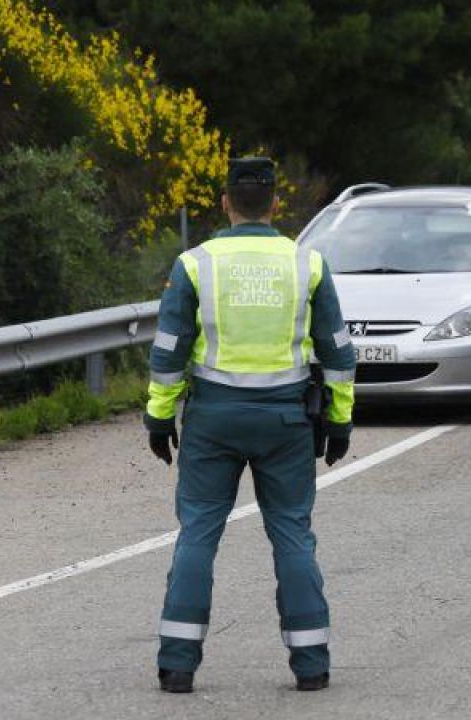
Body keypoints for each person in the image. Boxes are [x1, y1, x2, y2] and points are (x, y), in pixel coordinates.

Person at [143, 157, 357, 692]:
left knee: (198, 533)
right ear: (276, 205)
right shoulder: (307, 263)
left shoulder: (195, 264)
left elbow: (168, 352)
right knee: (292, 535)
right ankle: (311, 665)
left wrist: (159, 415)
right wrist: (339, 420)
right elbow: (337, 352)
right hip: (286, 420)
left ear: (225, 203)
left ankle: (178, 666)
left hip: (213, 419)